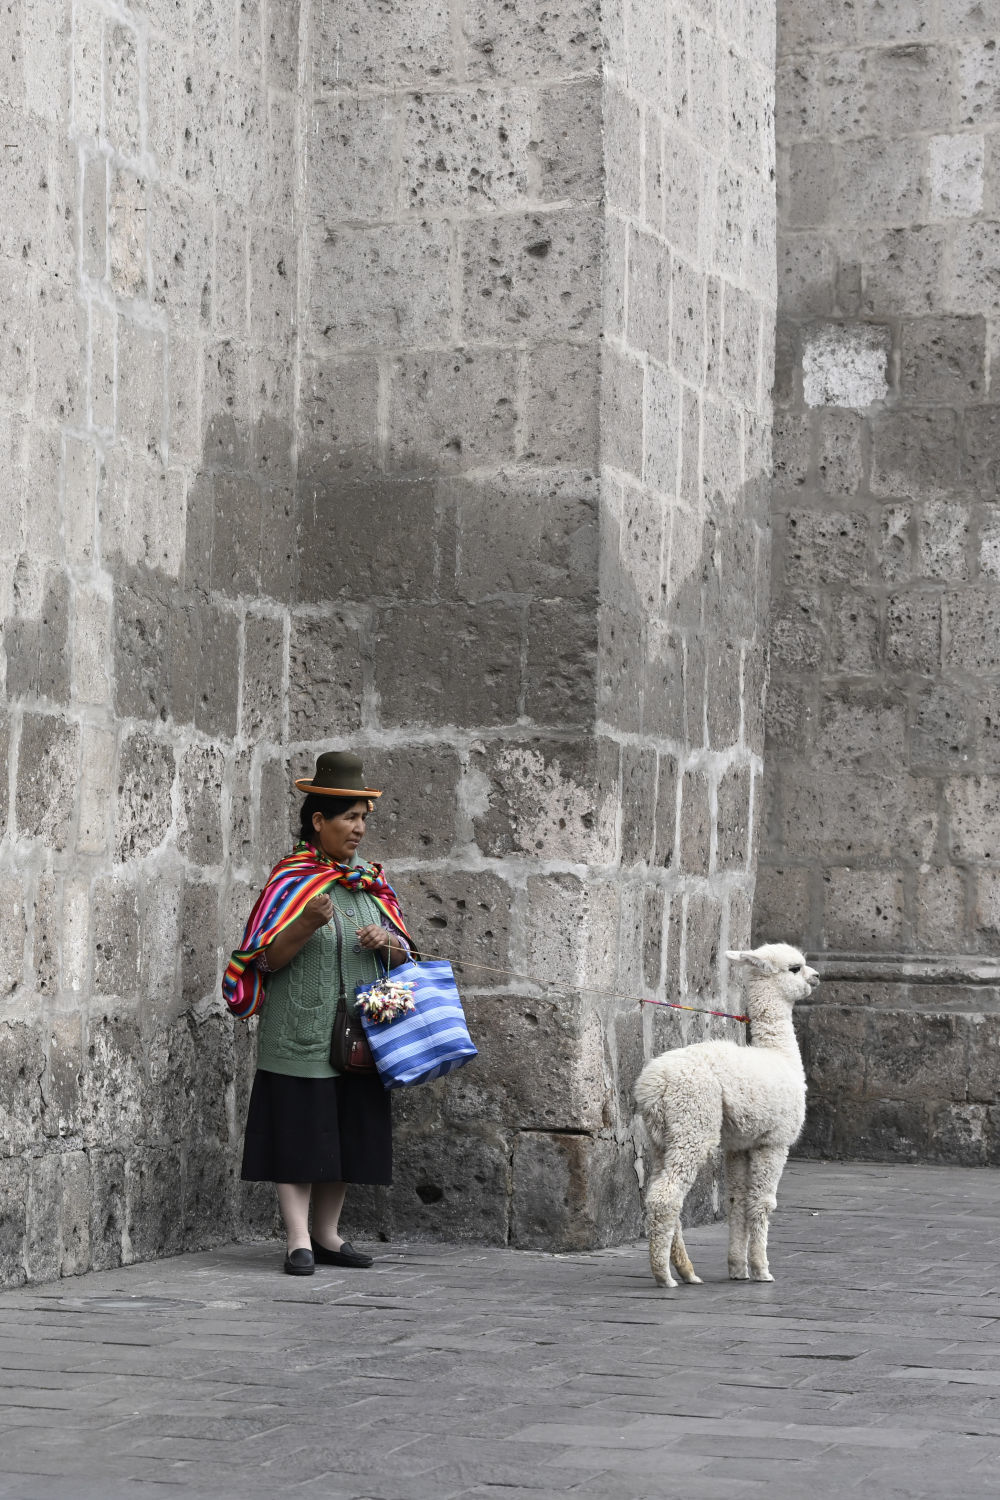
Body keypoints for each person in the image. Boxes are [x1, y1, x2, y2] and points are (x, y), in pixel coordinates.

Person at [223, 750, 414, 1276]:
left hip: (359, 1033)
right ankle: (297, 1240)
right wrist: (306, 922)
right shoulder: (290, 880)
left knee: (348, 1132)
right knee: (300, 1133)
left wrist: (389, 940)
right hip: (299, 1030)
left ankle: (328, 1235)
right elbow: (265, 958)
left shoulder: (369, 883)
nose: (358, 829)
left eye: (362, 819)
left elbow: (405, 960)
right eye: (349, 818)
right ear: (318, 821)